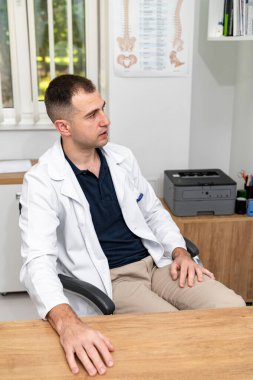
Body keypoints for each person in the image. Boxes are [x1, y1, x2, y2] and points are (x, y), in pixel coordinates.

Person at [19, 74, 245, 377]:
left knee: (233, 308)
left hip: (158, 263)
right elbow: (37, 261)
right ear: (64, 127)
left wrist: (179, 251)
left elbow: (154, 213)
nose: (106, 120)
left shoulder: (122, 158)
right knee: (174, 332)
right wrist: (66, 323)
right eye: (92, 115)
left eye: (103, 108)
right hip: (113, 280)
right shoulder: (42, 181)